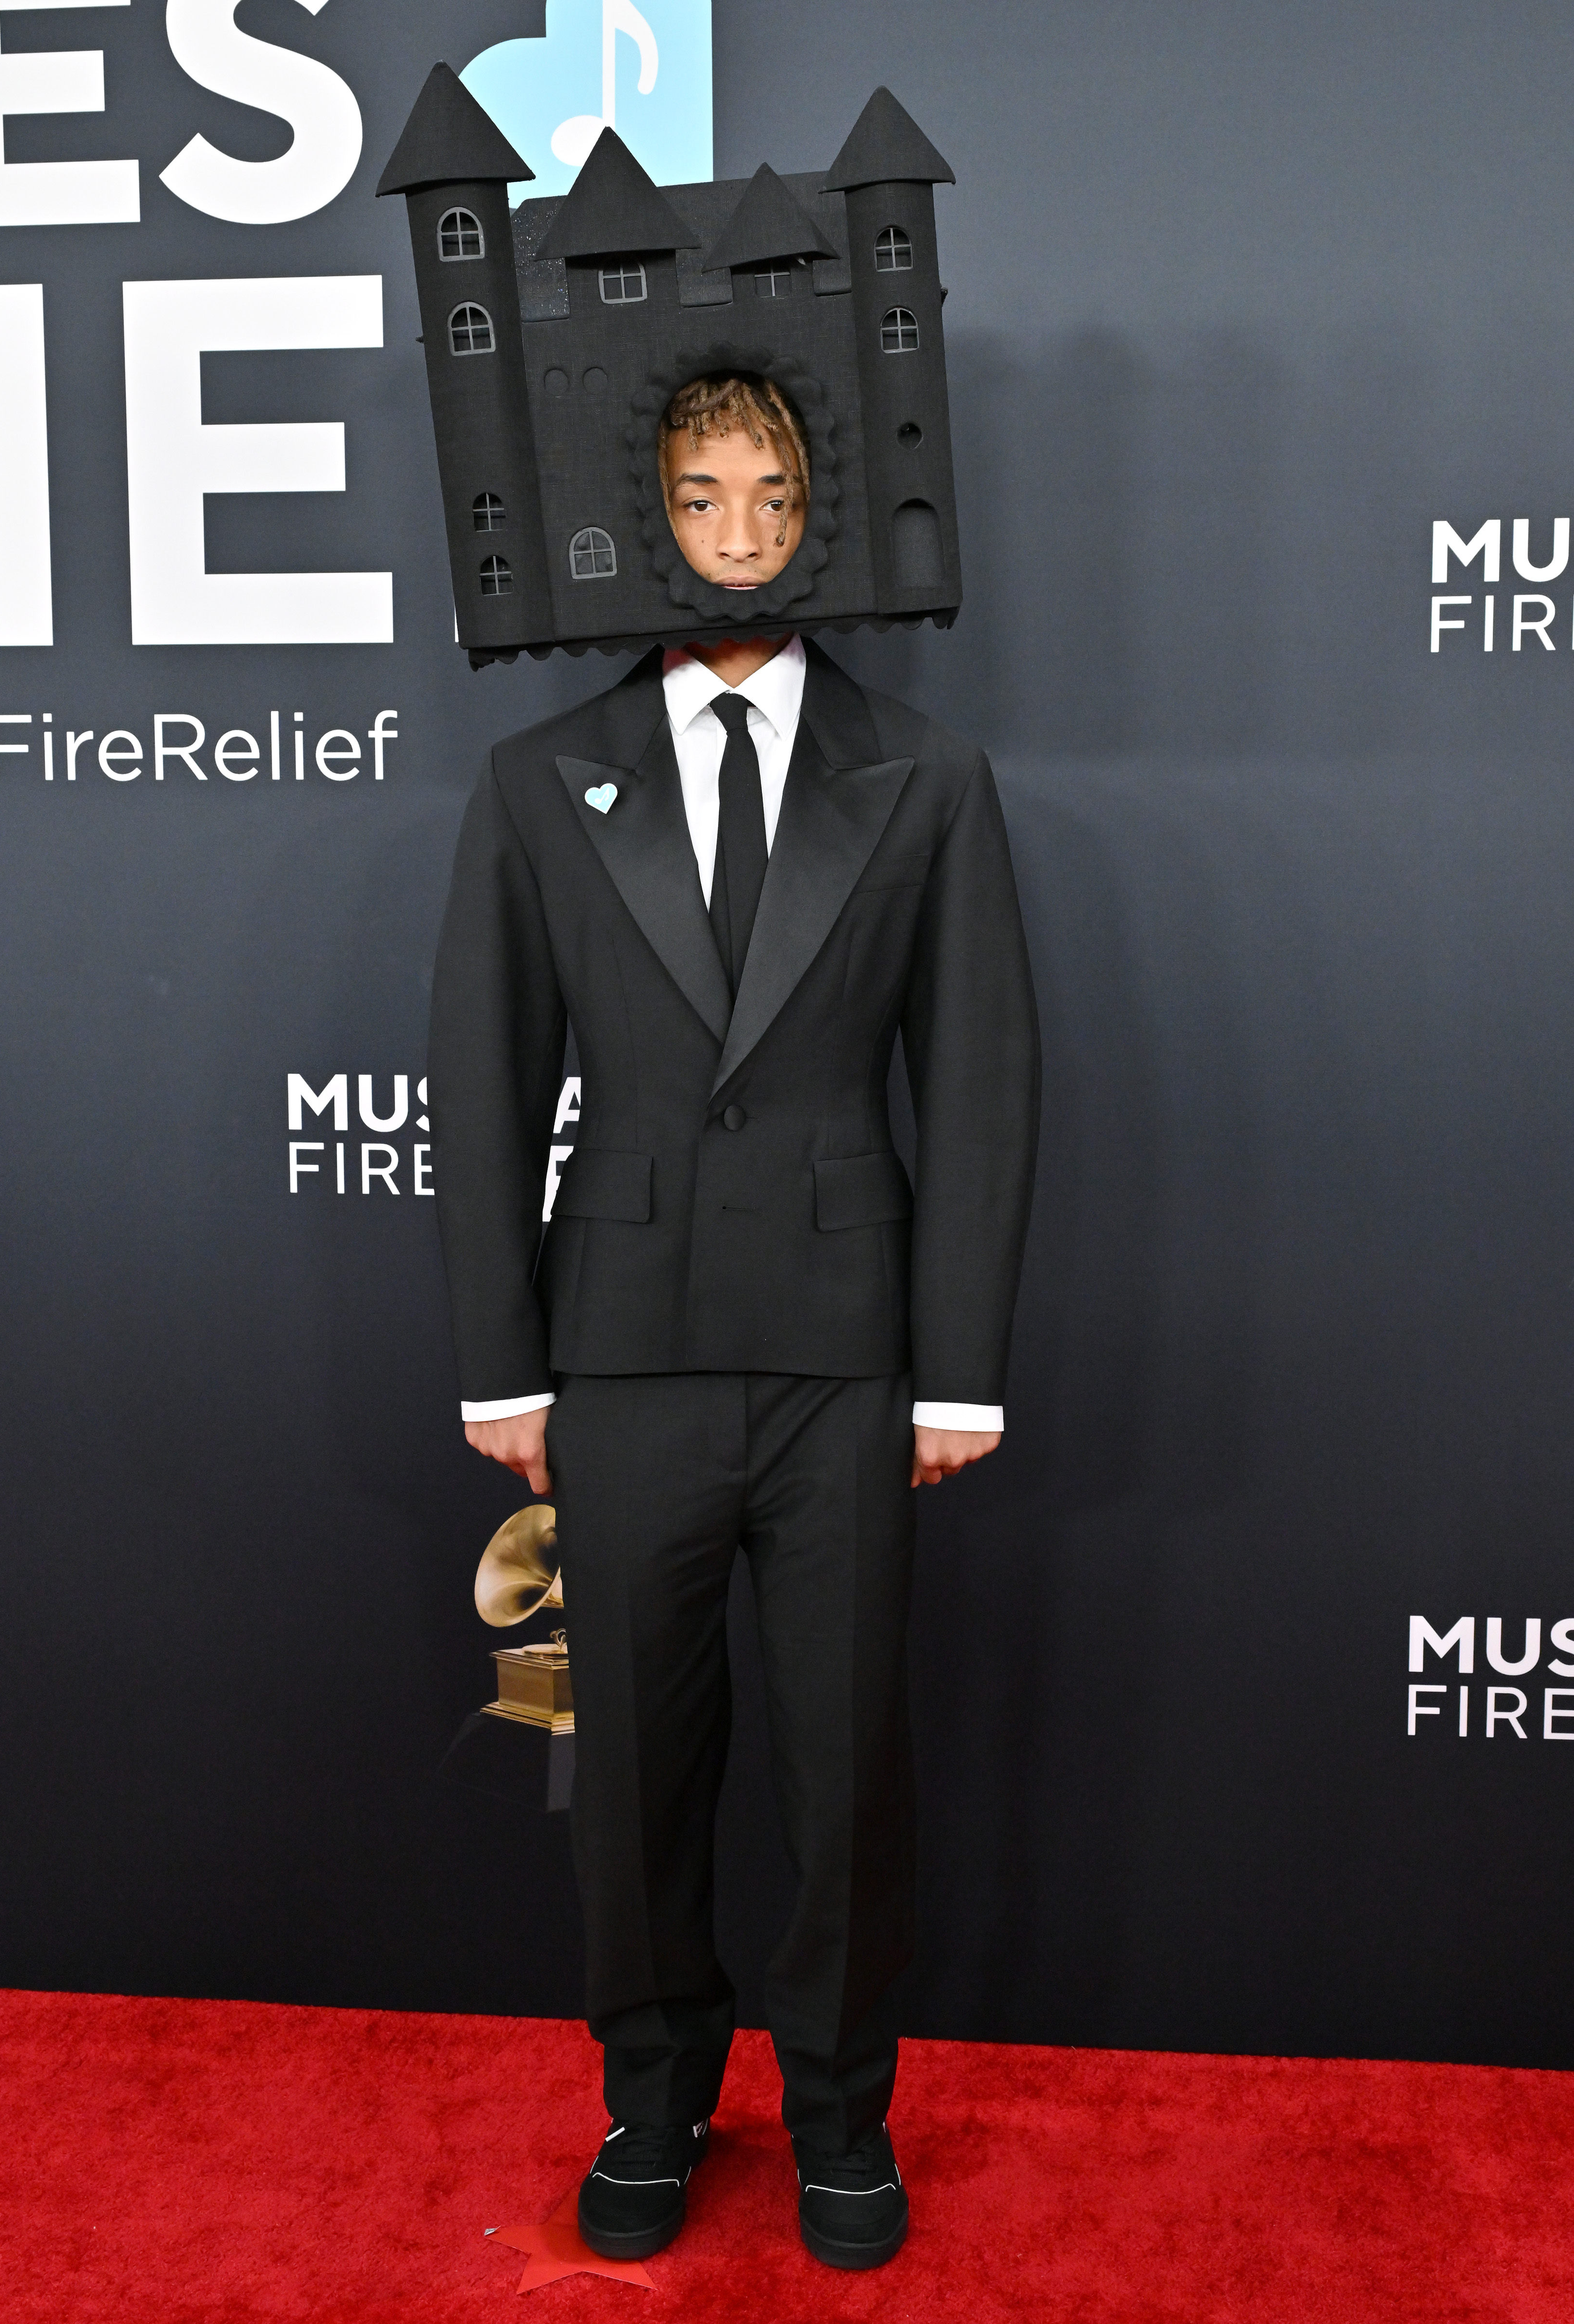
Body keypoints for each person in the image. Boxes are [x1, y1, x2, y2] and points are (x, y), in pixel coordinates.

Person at [430, 372, 1039, 2271]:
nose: (743, 530)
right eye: (703, 496)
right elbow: (478, 1076)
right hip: (615, 1356)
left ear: (820, 513)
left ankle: (843, 2116)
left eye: (774, 493)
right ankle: (653, 2099)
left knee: (844, 1759)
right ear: (651, 517)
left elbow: (986, 1079)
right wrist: (501, 1359)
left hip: (848, 1358)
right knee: (633, 1766)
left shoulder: (923, 776)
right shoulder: (543, 779)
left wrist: (957, 1374)